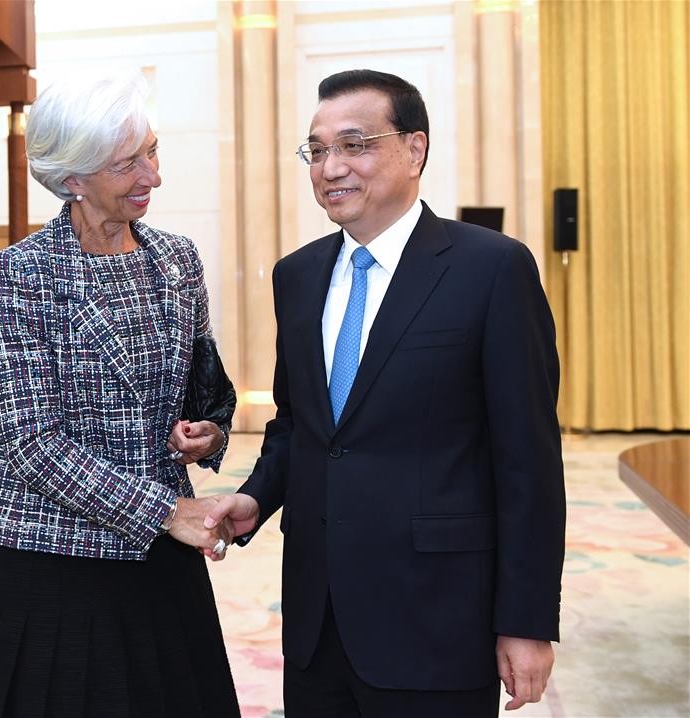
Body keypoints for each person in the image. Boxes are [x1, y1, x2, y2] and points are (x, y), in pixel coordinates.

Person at [204, 69, 566, 717]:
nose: (331, 167)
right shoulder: (299, 276)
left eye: (356, 144)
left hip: (438, 616)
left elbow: (529, 461)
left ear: (415, 150)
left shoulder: (492, 269)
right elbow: (300, 426)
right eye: (317, 150)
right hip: (318, 617)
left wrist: (527, 620)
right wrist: (257, 495)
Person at [0, 73, 240, 718]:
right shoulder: (19, 273)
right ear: (73, 180)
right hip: (57, 560)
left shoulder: (178, 260)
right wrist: (163, 513)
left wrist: (208, 430)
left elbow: (206, 386)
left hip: (163, 559)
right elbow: (31, 444)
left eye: (152, 150)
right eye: (128, 164)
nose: (154, 176)